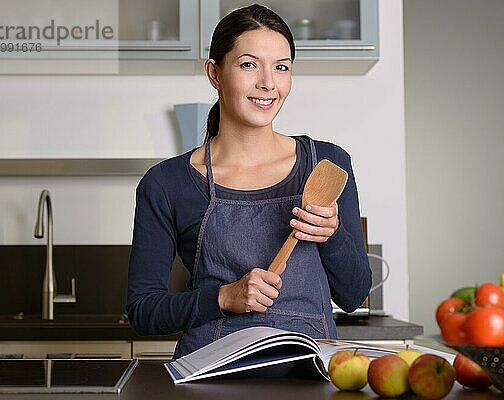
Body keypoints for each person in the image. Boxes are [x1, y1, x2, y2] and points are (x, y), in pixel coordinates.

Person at [127, 4, 372, 359]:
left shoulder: (327, 163)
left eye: (281, 67)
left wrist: (330, 236)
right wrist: (224, 297)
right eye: (248, 64)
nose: (268, 83)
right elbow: (143, 311)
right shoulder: (167, 184)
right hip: (210, 377)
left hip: (307, 375)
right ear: (215, 73)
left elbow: (353, 295)